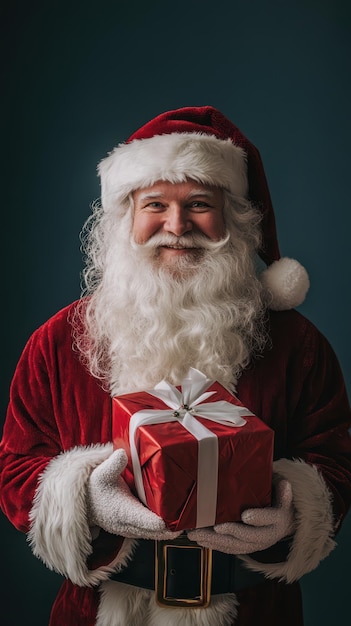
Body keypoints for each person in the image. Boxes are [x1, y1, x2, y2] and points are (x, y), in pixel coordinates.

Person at [1, 106, 351, 626]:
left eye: (200, 204)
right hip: (99, 611)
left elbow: (336, 457)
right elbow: (15, 466)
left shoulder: (296, 343)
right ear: (126, 217)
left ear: (232, 216)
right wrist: (85, 502)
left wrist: (292, 513)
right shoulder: (58, 343)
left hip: (255, 613)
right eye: (156, 204)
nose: (177, 225)